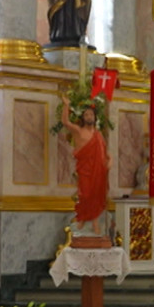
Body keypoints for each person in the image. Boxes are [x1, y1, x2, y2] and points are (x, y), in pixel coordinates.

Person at [61, 92, 111, 235]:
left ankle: (95, 222)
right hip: (85, 169)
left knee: (96, 195)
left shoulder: (98, 134)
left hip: (98, 170)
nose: (89, 117)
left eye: (91, 115)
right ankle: (82, 219)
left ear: (95, 117)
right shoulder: (78, 131)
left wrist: (110, 161)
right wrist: (66, 105)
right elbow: (65, 122)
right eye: (87, 115)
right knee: (85, 194)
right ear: (83, 117)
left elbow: (106, 153)